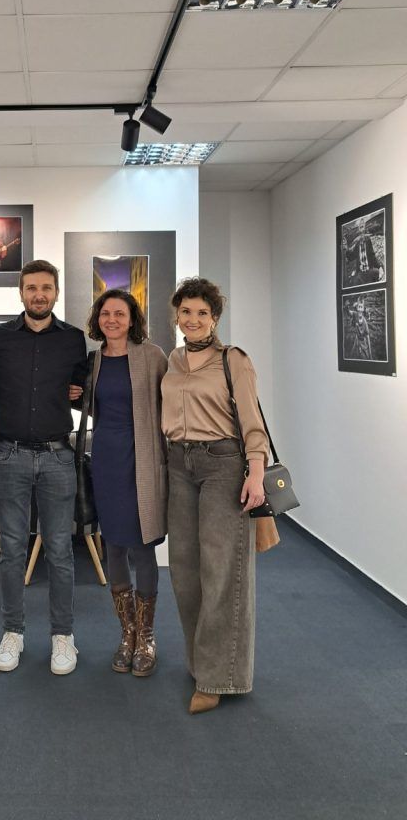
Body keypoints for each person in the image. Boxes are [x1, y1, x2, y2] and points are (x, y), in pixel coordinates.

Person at [0, 260, 88, 675]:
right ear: (20, 293)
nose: (39, 294)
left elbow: (80, 394)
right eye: (31, 288)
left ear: (56, 292)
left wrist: (81, 393)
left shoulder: (74, 339)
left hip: (58, 455)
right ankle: (13, 632)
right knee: (12, 552)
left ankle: (63, 636)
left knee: (60, 551)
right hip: (9, 454)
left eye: (46, 288)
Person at [161, 277, 268, 715]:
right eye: (185, 312)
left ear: (215, 318)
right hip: (179, 465)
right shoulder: (173, 359)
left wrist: (256, 473)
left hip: (223, 464)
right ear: (176, 317)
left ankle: (220, 676)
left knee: (223, 570)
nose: (192, 320)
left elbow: (253, 419)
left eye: (201, 312)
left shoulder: (233, 360)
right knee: (185, 568)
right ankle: (199, 660)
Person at [85, 289, 167, 677]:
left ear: (132, 318)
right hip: (106, 459)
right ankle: (127, 634)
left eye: (119, 313)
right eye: (105, 314)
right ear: (98, 320)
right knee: (114, 546)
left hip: (144, 461)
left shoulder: (152, 356)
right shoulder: (94, 360)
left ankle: (147, 637)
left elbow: (171, 404)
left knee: (142, 547)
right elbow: (92, 403)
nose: (112, 319)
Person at [341, 218, 384, 287]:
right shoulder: (357, 244)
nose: (362, 229)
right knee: (355, 283)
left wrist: (379, 267)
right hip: (360, 273)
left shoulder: (368, 241)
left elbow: (372, 255)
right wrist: (346, 248)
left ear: (364, 228)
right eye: (360, 227)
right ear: (359, 229)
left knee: (376, 275)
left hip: (369, 270)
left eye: (363, 226)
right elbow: (351, 256)